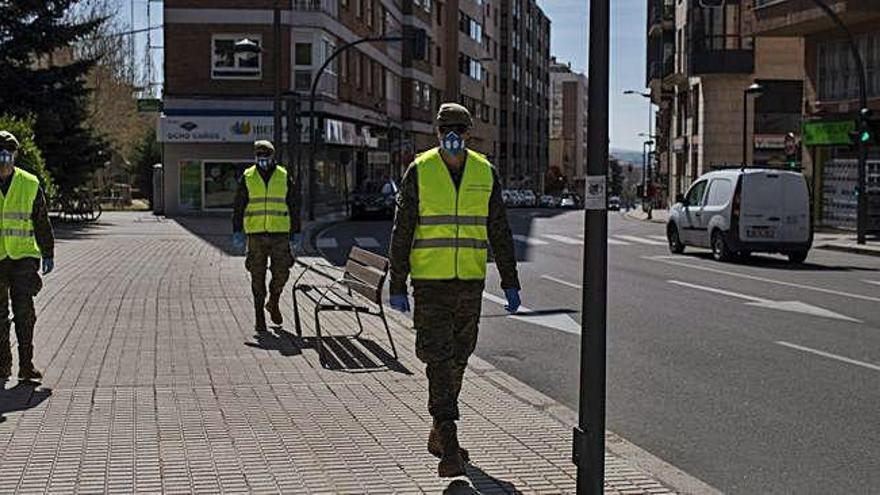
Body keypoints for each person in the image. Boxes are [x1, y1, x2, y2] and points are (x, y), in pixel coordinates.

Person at [387, 103, 522, 477]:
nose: (454, 135)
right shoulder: (420, 169)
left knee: (459, 358)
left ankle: (437, 431)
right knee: (438, 360)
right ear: (437, 131)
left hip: (470, 284)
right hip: (430, 286)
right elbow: (402, 231)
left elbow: (499, 230)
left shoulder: (484, 171)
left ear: (469, 133)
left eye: (460, 129)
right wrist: (397, 283)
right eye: (448, 128)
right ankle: (448, 442)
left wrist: (510, 281)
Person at [0, 131, 55, 382]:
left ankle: (26, 365)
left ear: (15, 155)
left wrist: (47, 252)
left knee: (24, 312)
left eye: (7, 155)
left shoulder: (30, 183)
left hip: (23, 257)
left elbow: (41, 222)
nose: (3, 160)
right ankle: (2, 365)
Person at [232, 140, 301, 333]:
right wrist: (237, 230)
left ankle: (274, 301)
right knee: (257, 275)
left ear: (273, 157)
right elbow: (238, 206)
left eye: (266, 156)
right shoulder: (247, 177)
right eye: (259, 156)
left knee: (282, 273)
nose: (262, 160)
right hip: (255, 235)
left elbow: (294, 205)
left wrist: (297, 231)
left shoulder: (284, 176)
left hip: (280, 234)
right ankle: (259, 317)